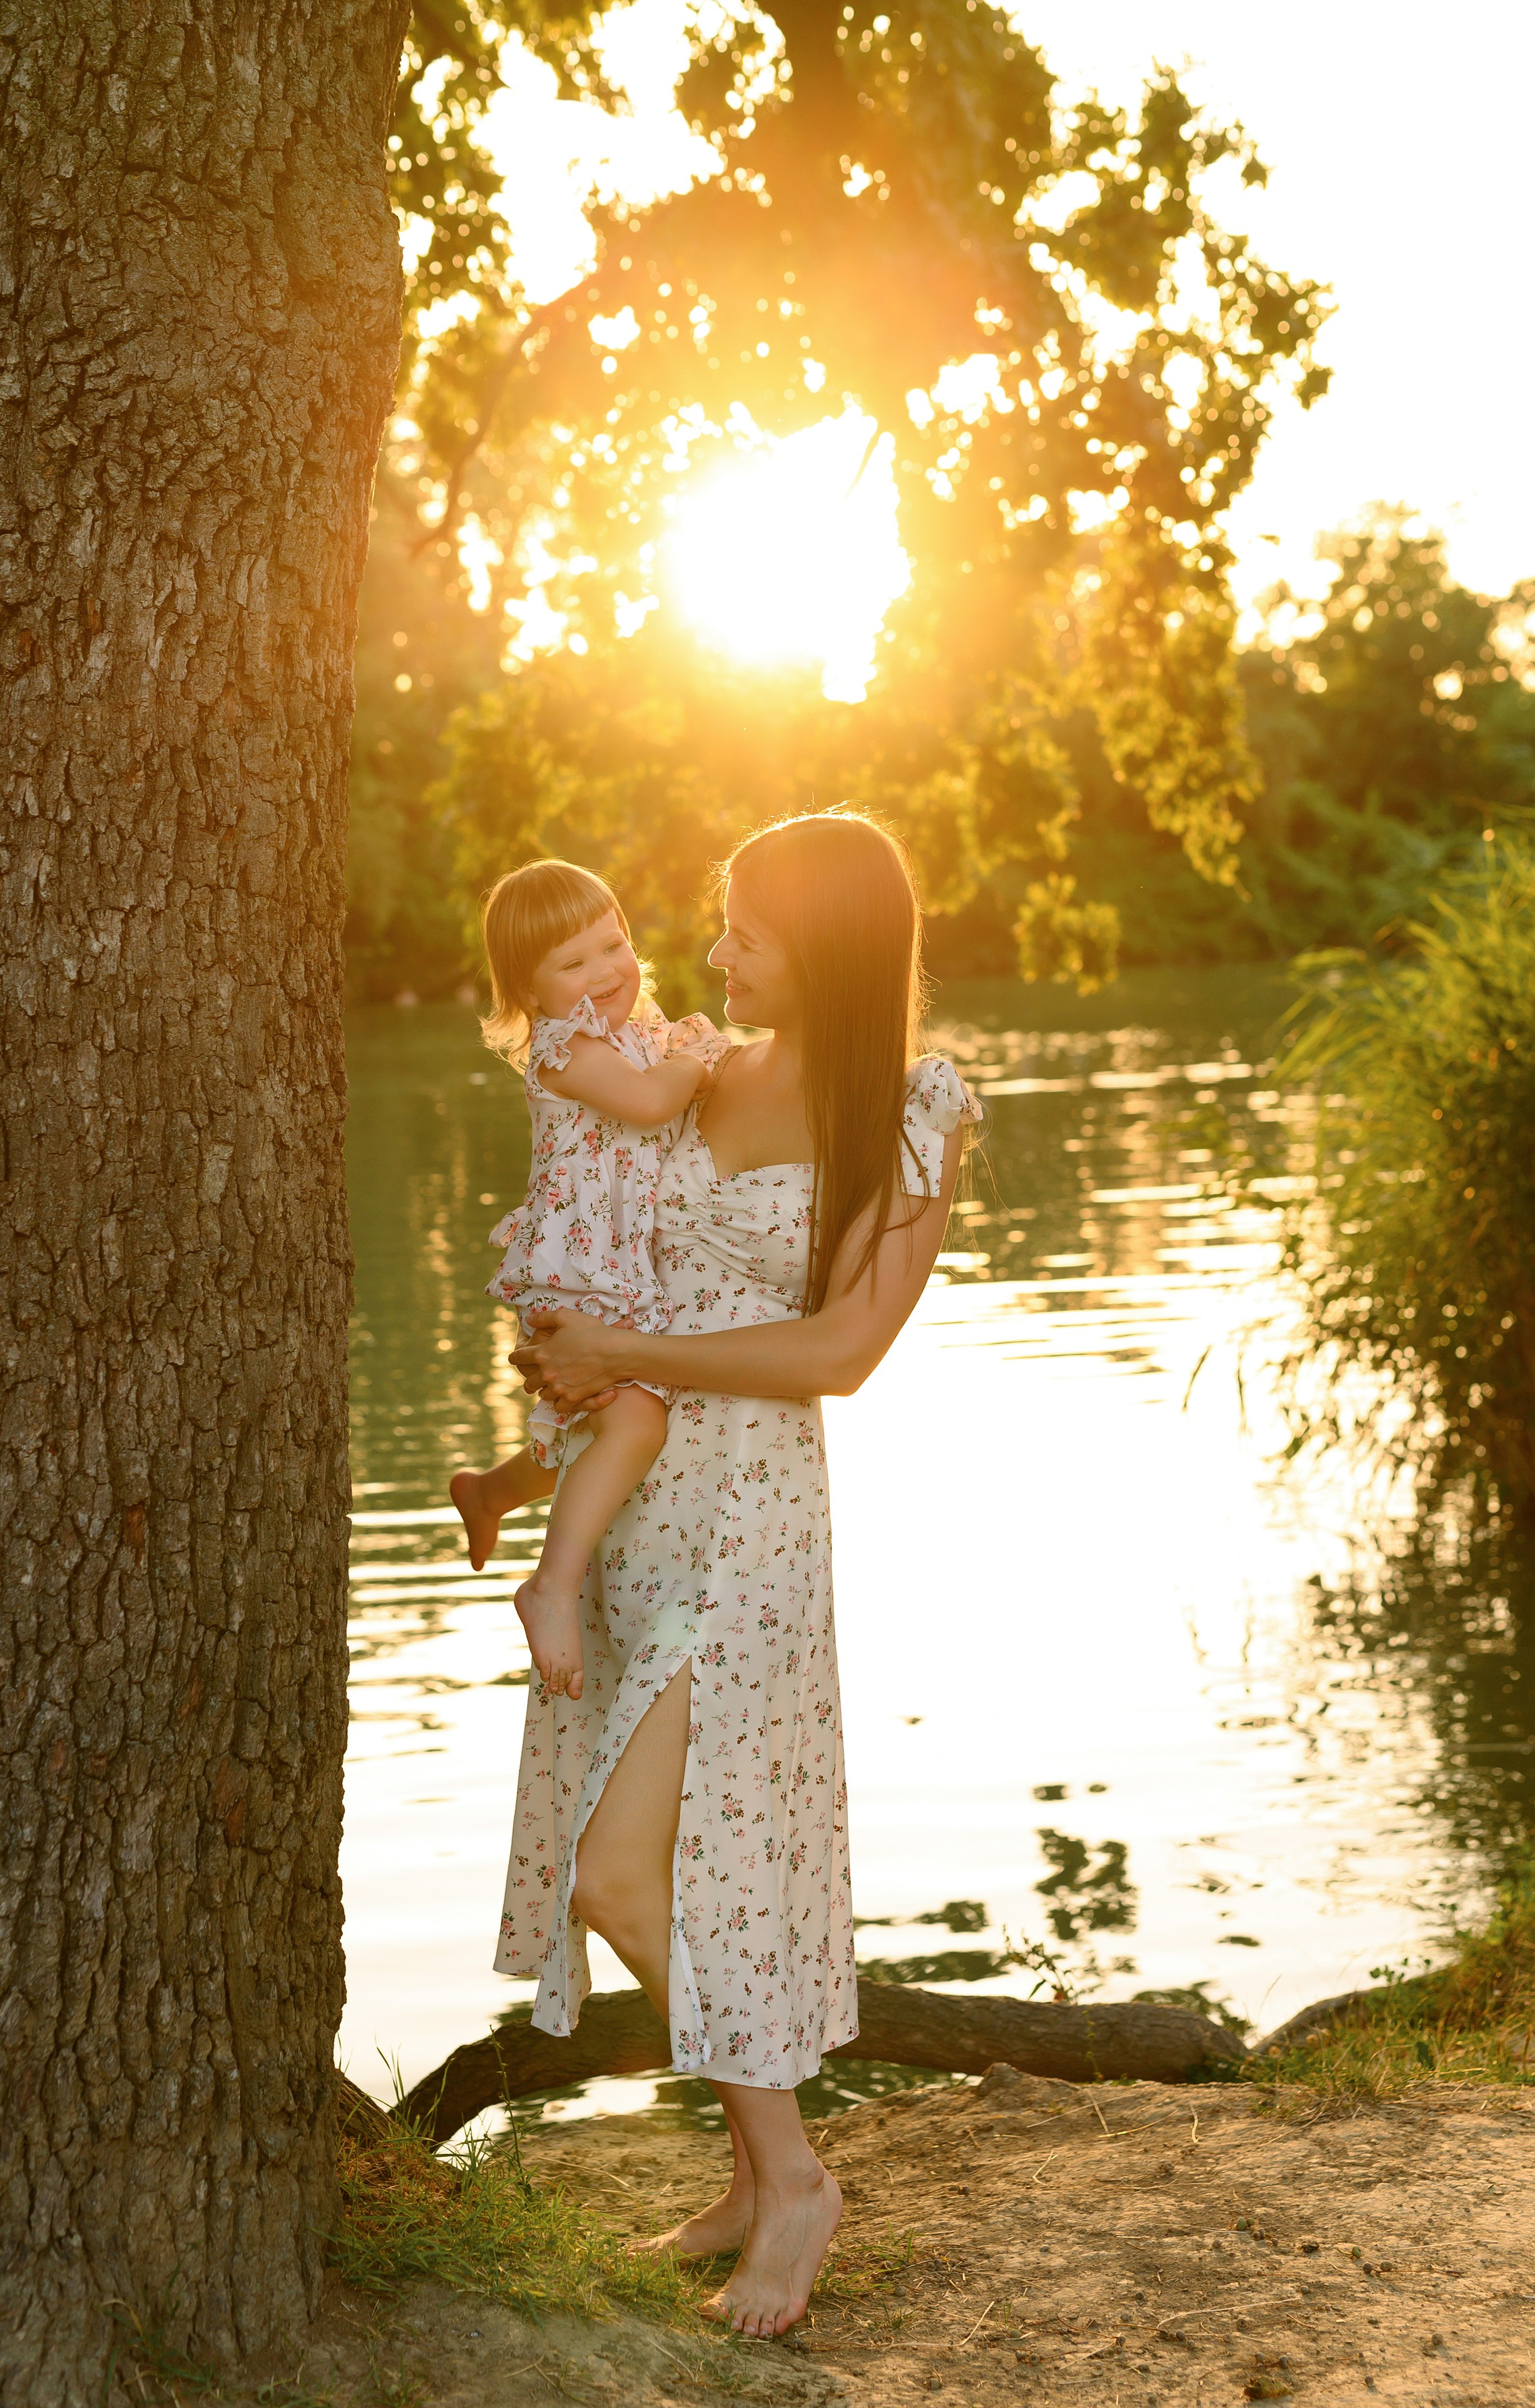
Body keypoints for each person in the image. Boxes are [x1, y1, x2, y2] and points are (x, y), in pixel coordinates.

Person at [492, 813, 980, 2338]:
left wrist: (624, 1350)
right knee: (667, 1863)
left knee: (618, 1871)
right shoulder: (695, 1065)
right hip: (636, 1495)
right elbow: (607, 1238)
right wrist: (555, 1385)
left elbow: (841, 1349)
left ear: (823, 949)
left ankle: (796, 2180)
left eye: (745, 934)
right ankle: (747, 2172)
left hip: (750, 1518)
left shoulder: (909, 1107)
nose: (711, 954)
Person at [450, 860, 728, 1700]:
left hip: (619, 1264)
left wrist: (692, 1054)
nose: (606, 970)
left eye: (614, 944)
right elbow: (649, 1103)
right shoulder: (564, 1049)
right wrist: (700, 1060)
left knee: (590, 1430)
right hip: (577, 1271)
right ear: (530, 993)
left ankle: (488, 1494)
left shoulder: (636, 1034)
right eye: (573, 962)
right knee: (635, 1423)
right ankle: (551, 1587)